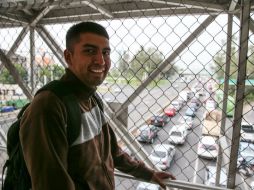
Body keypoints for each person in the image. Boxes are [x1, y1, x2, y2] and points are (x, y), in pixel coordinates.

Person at [20, 21, 176, 190]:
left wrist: (148, 173)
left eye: (106, 52)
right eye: (89, 51)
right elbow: (51, 184)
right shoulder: (49, 106)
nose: (101, 60)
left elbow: (112, 152)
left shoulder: (93, 100)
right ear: (68, 57)